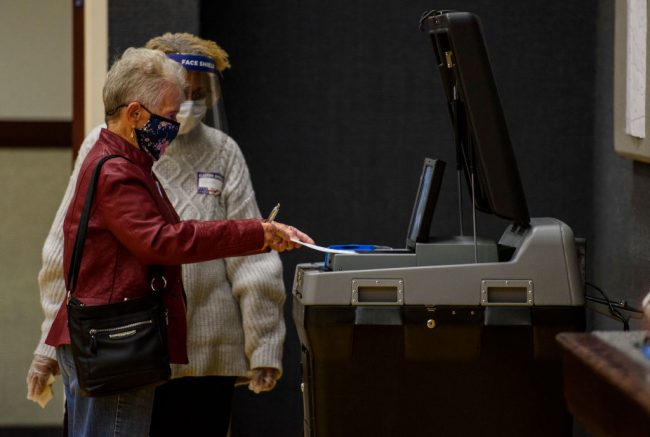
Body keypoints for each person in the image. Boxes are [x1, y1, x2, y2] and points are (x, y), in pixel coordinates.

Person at [27, 33, 295, 435]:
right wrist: (49, 346)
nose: (178, 116)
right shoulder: (117, 165)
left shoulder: (180, 154)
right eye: (171, 107)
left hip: (198, 354)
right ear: (137, 111)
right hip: (123, 343)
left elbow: (251, 267)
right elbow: (146, 243)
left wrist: (264, 344)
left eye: (192, 96)